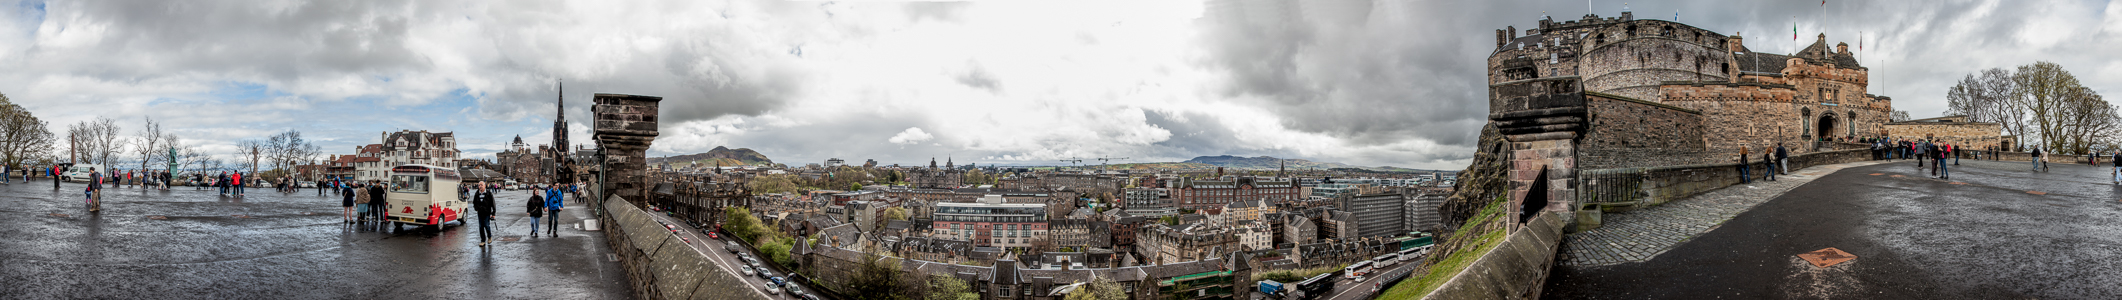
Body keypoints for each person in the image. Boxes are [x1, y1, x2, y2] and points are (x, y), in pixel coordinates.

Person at [474, 181, 496, 246]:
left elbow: (493, 203)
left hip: (487, 212)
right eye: (479, 185)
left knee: (486, 225)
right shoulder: (477, 193)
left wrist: (493, 213)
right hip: (480, 212)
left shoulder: (489, 193)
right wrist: (476, 209)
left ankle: (489, 236)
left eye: (481, 185)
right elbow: (474, 202)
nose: (480, 186)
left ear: (485, 186)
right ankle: (483, 240)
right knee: (481, 227)